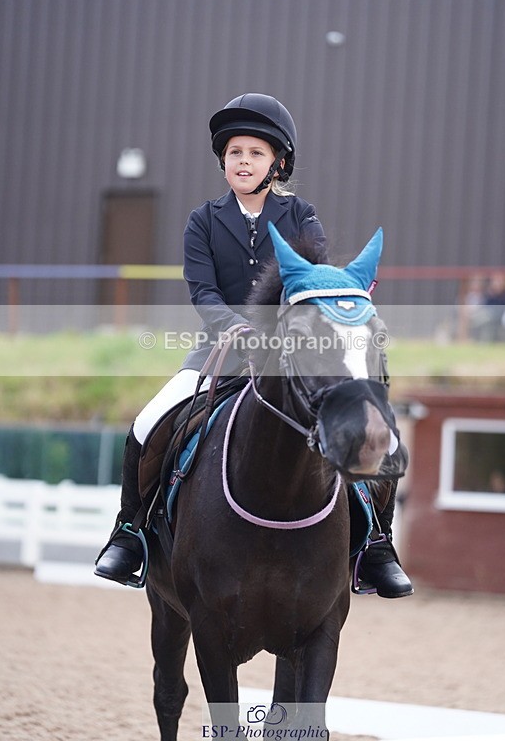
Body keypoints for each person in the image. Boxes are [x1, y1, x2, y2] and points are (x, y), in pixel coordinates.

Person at [94, 93, 413, 598]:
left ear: (277, 163)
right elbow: (202, 291)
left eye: (255, 153)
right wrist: (233, 327)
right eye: (235, 152)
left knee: (353, 427)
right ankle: (130, 531)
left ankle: (376, 542)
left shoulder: (302, 216)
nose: (243, 161)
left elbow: (310, 288)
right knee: (147, 422)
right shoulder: (202, 220)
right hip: (215, 353)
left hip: (289, 357)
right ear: (224, 161)